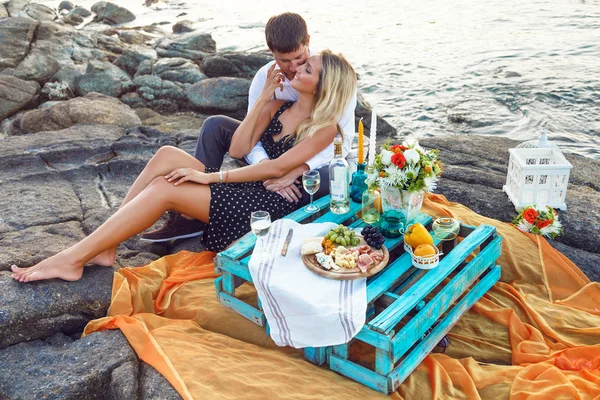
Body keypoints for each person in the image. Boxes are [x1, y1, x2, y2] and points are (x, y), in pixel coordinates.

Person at [10, 50, 357, 283]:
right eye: (300, 64)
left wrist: (208, 176)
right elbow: (238, 147)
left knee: (165, 188)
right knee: (165, 155)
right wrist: (264, 98)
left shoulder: (324, 127)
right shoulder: (278, 104)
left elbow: (273, 169)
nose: (296, 68)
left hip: (269, 207)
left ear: (323, 85)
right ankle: (105, 246)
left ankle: (72, 259)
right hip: (250, 186)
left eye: (306, 68)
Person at [140, 12, 357, 243]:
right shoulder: (265, 77)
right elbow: (251, 135)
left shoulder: (331, 77)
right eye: (284, 61)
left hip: (314, 160)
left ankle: (282, 214)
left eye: (299, 58)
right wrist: (266, 166)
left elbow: (340, 144)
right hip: (272, 156)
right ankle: (192, 210)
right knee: (215, 125)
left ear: (308, 42)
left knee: (325, 176)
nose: (293, 68)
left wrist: (296, 169)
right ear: (271, 53)